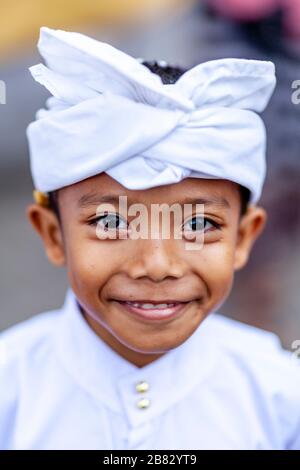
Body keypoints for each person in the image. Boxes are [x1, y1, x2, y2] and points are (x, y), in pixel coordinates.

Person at [0, 26, 299, 450]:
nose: (157, 266)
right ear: (54, 235)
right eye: (111, 222)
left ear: (243, 238)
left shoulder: (280, 395)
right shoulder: (10, 388)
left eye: (198, 225)